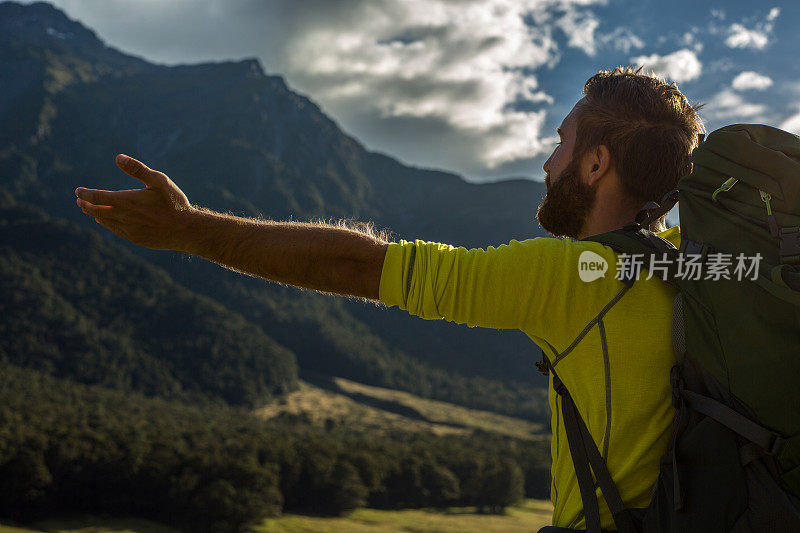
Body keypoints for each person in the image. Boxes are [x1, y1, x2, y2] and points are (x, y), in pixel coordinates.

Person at [74, 66, 703, 530]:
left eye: (562, 143)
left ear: (595, 165)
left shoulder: (575, 277)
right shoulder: (702, 269)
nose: (547, 162)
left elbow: (355, 264)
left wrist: (186, 228)